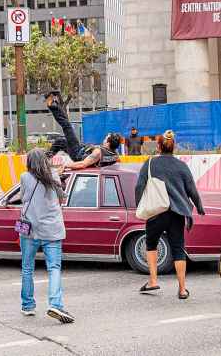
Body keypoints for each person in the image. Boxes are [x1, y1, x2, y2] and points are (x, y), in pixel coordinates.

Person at [134, 130, 205, 299]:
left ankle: (153, 281)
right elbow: (192, 191)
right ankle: (182, 289)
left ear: (158, 146)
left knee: (151, 244)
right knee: (178, 248)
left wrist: (140, 206)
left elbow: (139, 187)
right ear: (174, 147)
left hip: (156, 212)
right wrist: (199, 207)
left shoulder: (150, 163)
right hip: (177, 213)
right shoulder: (182, 166)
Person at [19, 148, 75, 324]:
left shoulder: (25, 177)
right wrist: (58, 177)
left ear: (29, 162)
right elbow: (62, 198)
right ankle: (55, 304)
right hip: (52, 228)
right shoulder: (53, 175)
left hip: (30, 228)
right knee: (54, 267)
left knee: (27, 268)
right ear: (45, 160)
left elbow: (23, 198)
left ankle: (28, 305)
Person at [45, 91, 121, 169]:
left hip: (77, 153)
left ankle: (51, 104)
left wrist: (64, 166)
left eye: (106, 138)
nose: (104, 139)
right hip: (81, 149)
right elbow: (118, 163)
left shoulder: (98, 153)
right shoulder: (115, 155)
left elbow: (83, 164)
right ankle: (45, 160)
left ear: (108, 143)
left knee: (67, 126)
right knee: (60, 142)